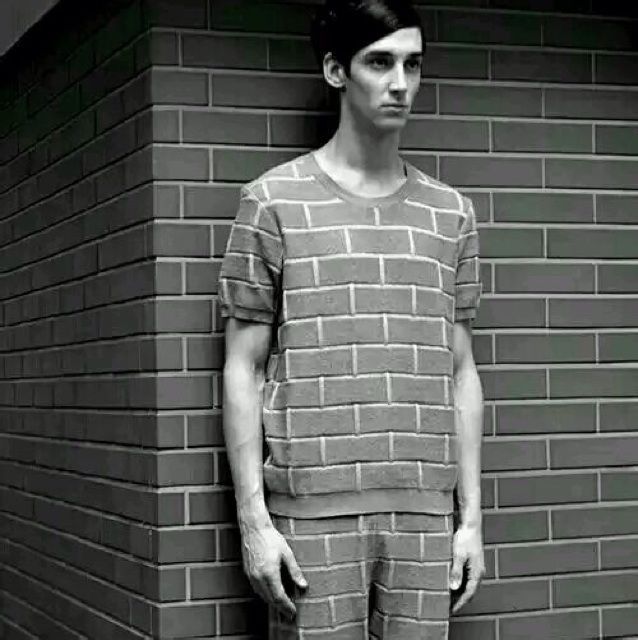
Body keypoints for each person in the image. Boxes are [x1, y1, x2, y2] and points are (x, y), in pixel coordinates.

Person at [217, 1, 485, 637]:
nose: (400, 83)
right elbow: (243, 368)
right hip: (309, 517)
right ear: (337, 70)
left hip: (425, 518)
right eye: (380, 62)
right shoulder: (272, 202)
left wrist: (470, 519)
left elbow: (460, 371)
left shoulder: (451, 215)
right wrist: (254, 522)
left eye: (413, 65)